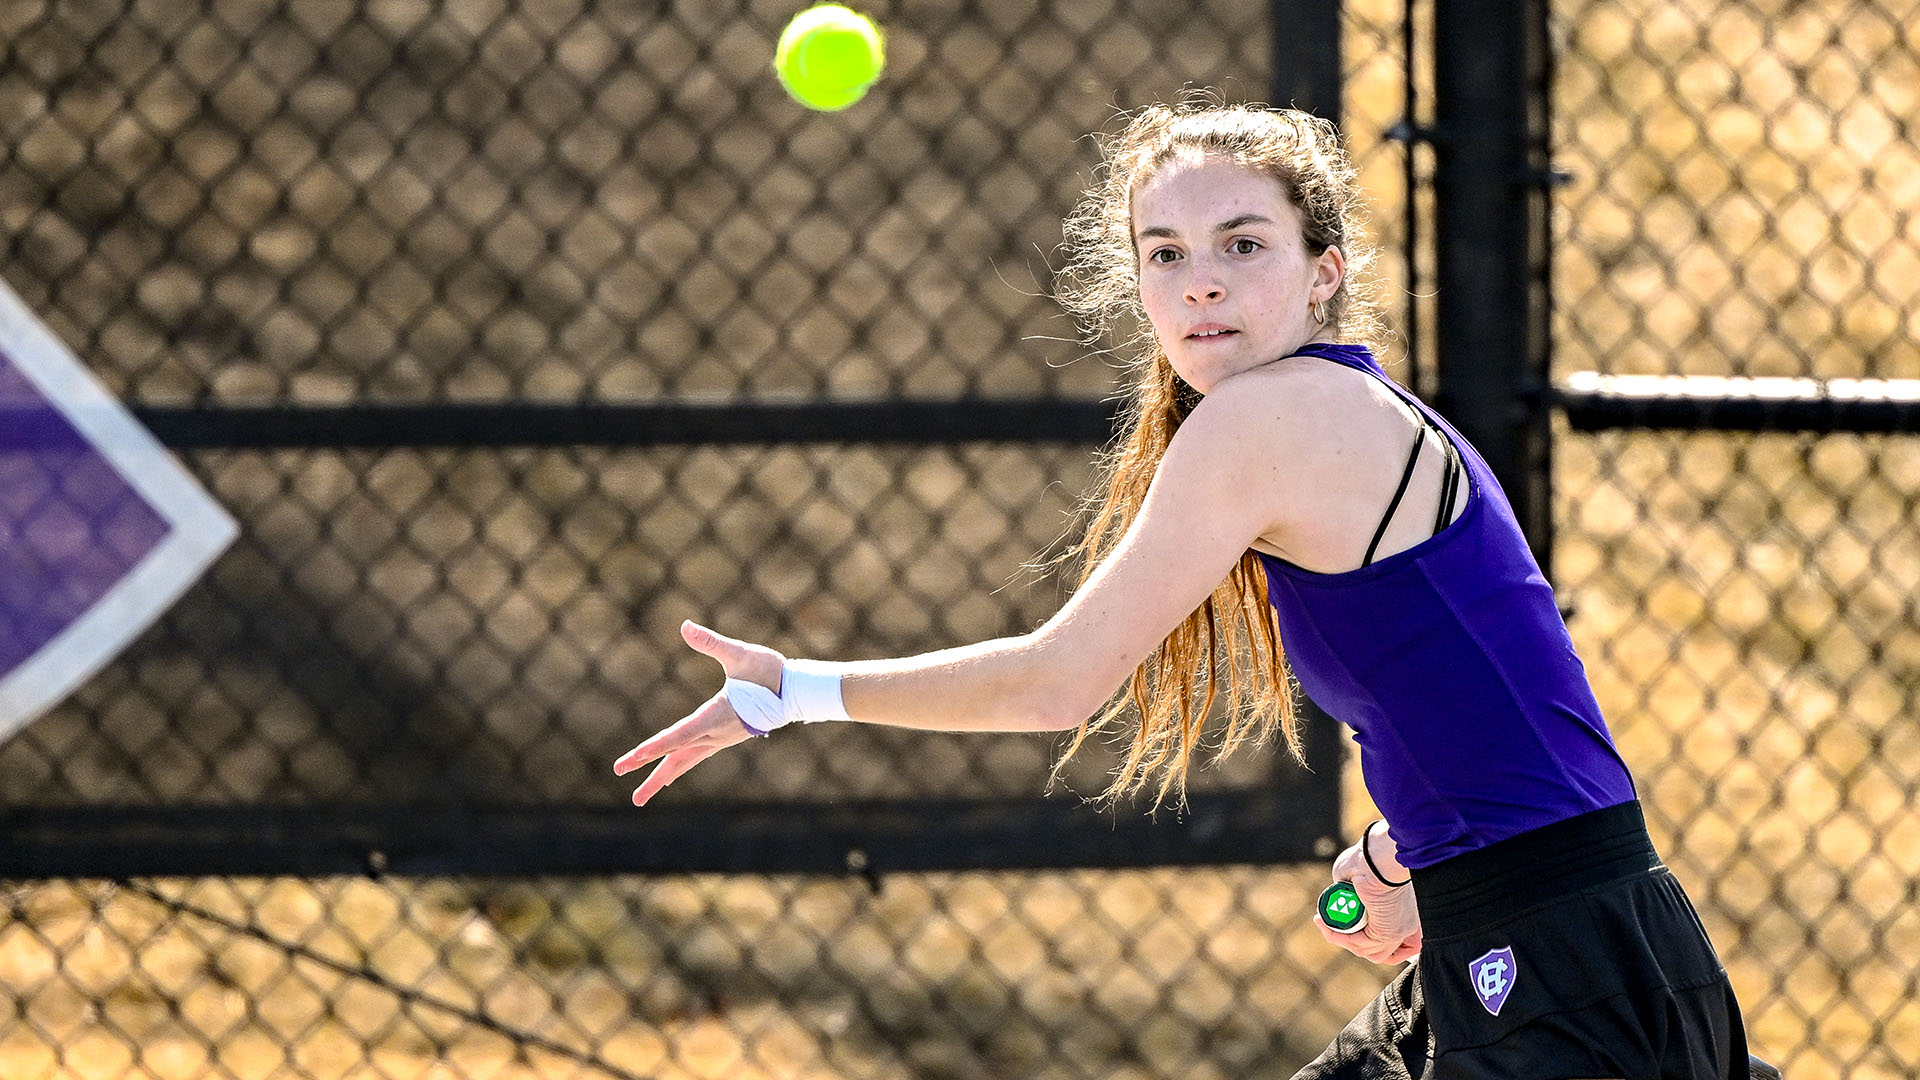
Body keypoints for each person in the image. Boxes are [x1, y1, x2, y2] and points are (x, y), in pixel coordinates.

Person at [614, 99, 1778, 1080]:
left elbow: (1055, 683)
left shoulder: (1270, 420)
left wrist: (796, 691)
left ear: (1324, 275)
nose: (1200, 284)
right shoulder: (1338, 413)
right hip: (1545, 930)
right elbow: (1491, 703)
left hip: (1558, 965)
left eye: (1242, 245)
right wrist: (1409, 857)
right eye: (1165, 254)